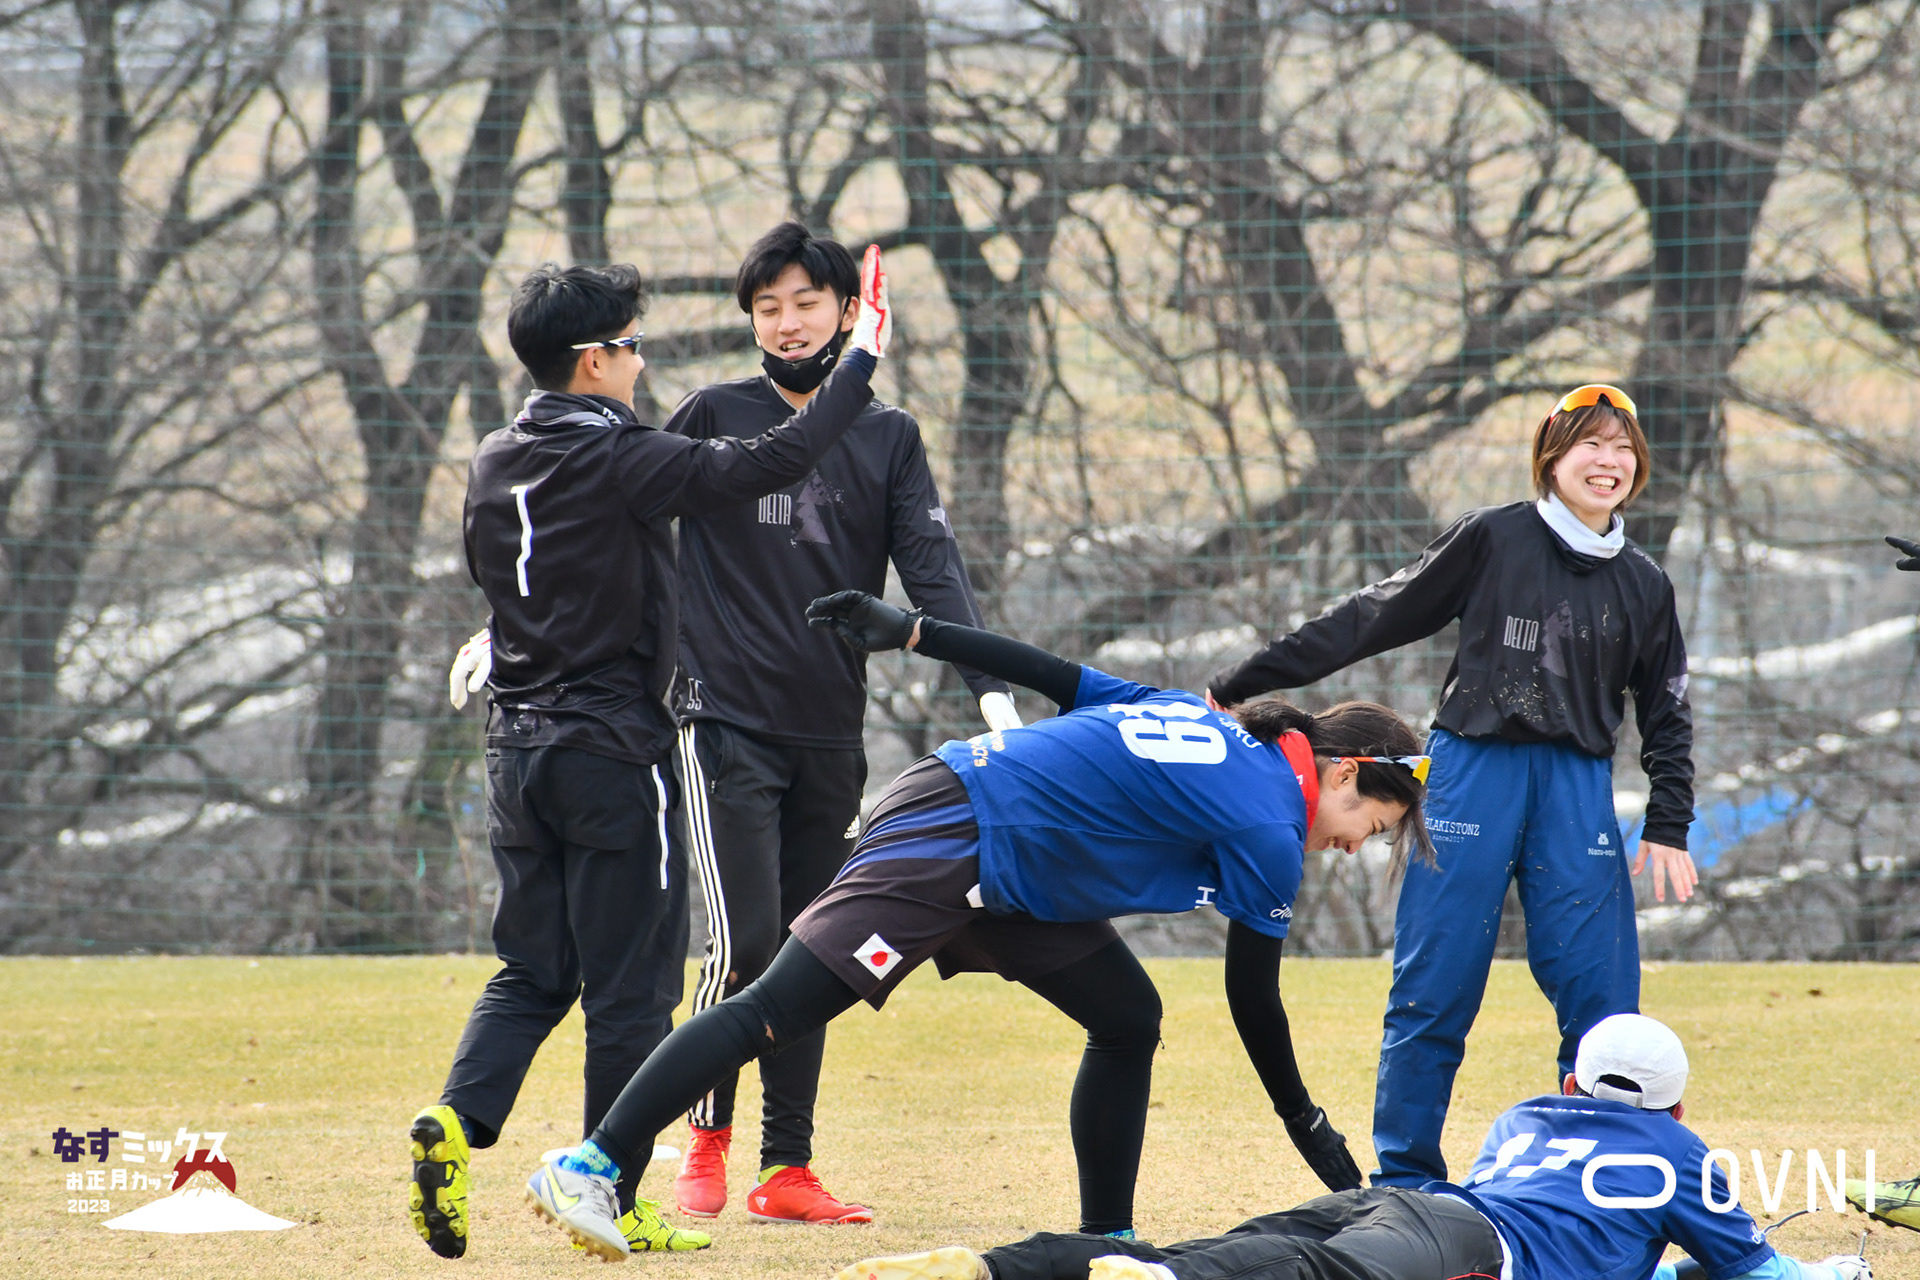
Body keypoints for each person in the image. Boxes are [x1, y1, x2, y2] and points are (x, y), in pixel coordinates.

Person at [521, 592, 1430, 1259]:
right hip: (957, 832)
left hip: (1013, 869)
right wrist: (1308, 1125)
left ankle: (1107, 1244)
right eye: (1374, 825)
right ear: (1346, 772)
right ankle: (590, 1166)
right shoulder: (1270, 825)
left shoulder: (1201, 718)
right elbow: (1254, 1000)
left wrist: (915, 631)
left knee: (1127, 1016)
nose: (1356, 846)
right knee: (776, 1011)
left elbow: (1053, 674)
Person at [449, 223, 1012, 1226]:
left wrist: (992, 687)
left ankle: (785, 1165)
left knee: (818, 945)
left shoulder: (890, 436)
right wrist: (505, 628)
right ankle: (700, 1137)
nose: (786, 322)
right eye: (767, 307)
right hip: (715, 723)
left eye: (806, 303)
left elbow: (932, 568)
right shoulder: (707, 414)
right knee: (744, 943)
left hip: (829, 725)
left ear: (846, 310)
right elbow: (589, 525)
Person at [406, 250, 893, 1260]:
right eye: (631, 347)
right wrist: (860, 364)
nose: (640, 363)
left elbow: (509, 577)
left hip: (515, 753)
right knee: (635, 991)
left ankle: (457, 1115)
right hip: (613, 755)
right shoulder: (624, 454)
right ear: (593, 360)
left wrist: (502, 637)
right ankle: (613, 1194)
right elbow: (771, 460)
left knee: (533, 971)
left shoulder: (494, 456)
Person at [1206, 383, 1699, 1188]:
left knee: (1605, 1005)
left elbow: (1667, 710)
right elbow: (1373, 614)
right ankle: (1408, 1185)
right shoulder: (1493, 538)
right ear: (1553, 456)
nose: (1608, 462)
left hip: (1577, 786)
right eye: (1591, 444)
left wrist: (1670, 821)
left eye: (1623, 449)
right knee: (1433, 990)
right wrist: (1245, 681)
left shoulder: (1646, 583)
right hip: (1471, 773)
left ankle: (1606, 1181)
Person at [833, 1014, 1873, 1280]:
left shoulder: (1527, 1115)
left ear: (1573, 1083)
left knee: (1199, 1246)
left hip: (1407, 1201)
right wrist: (1840, 1269)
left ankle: (998, 1265)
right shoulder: (1683, 1158)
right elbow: (1760, 1271)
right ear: (1679, 1109)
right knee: (1301, 1276)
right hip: (1460, 1246)